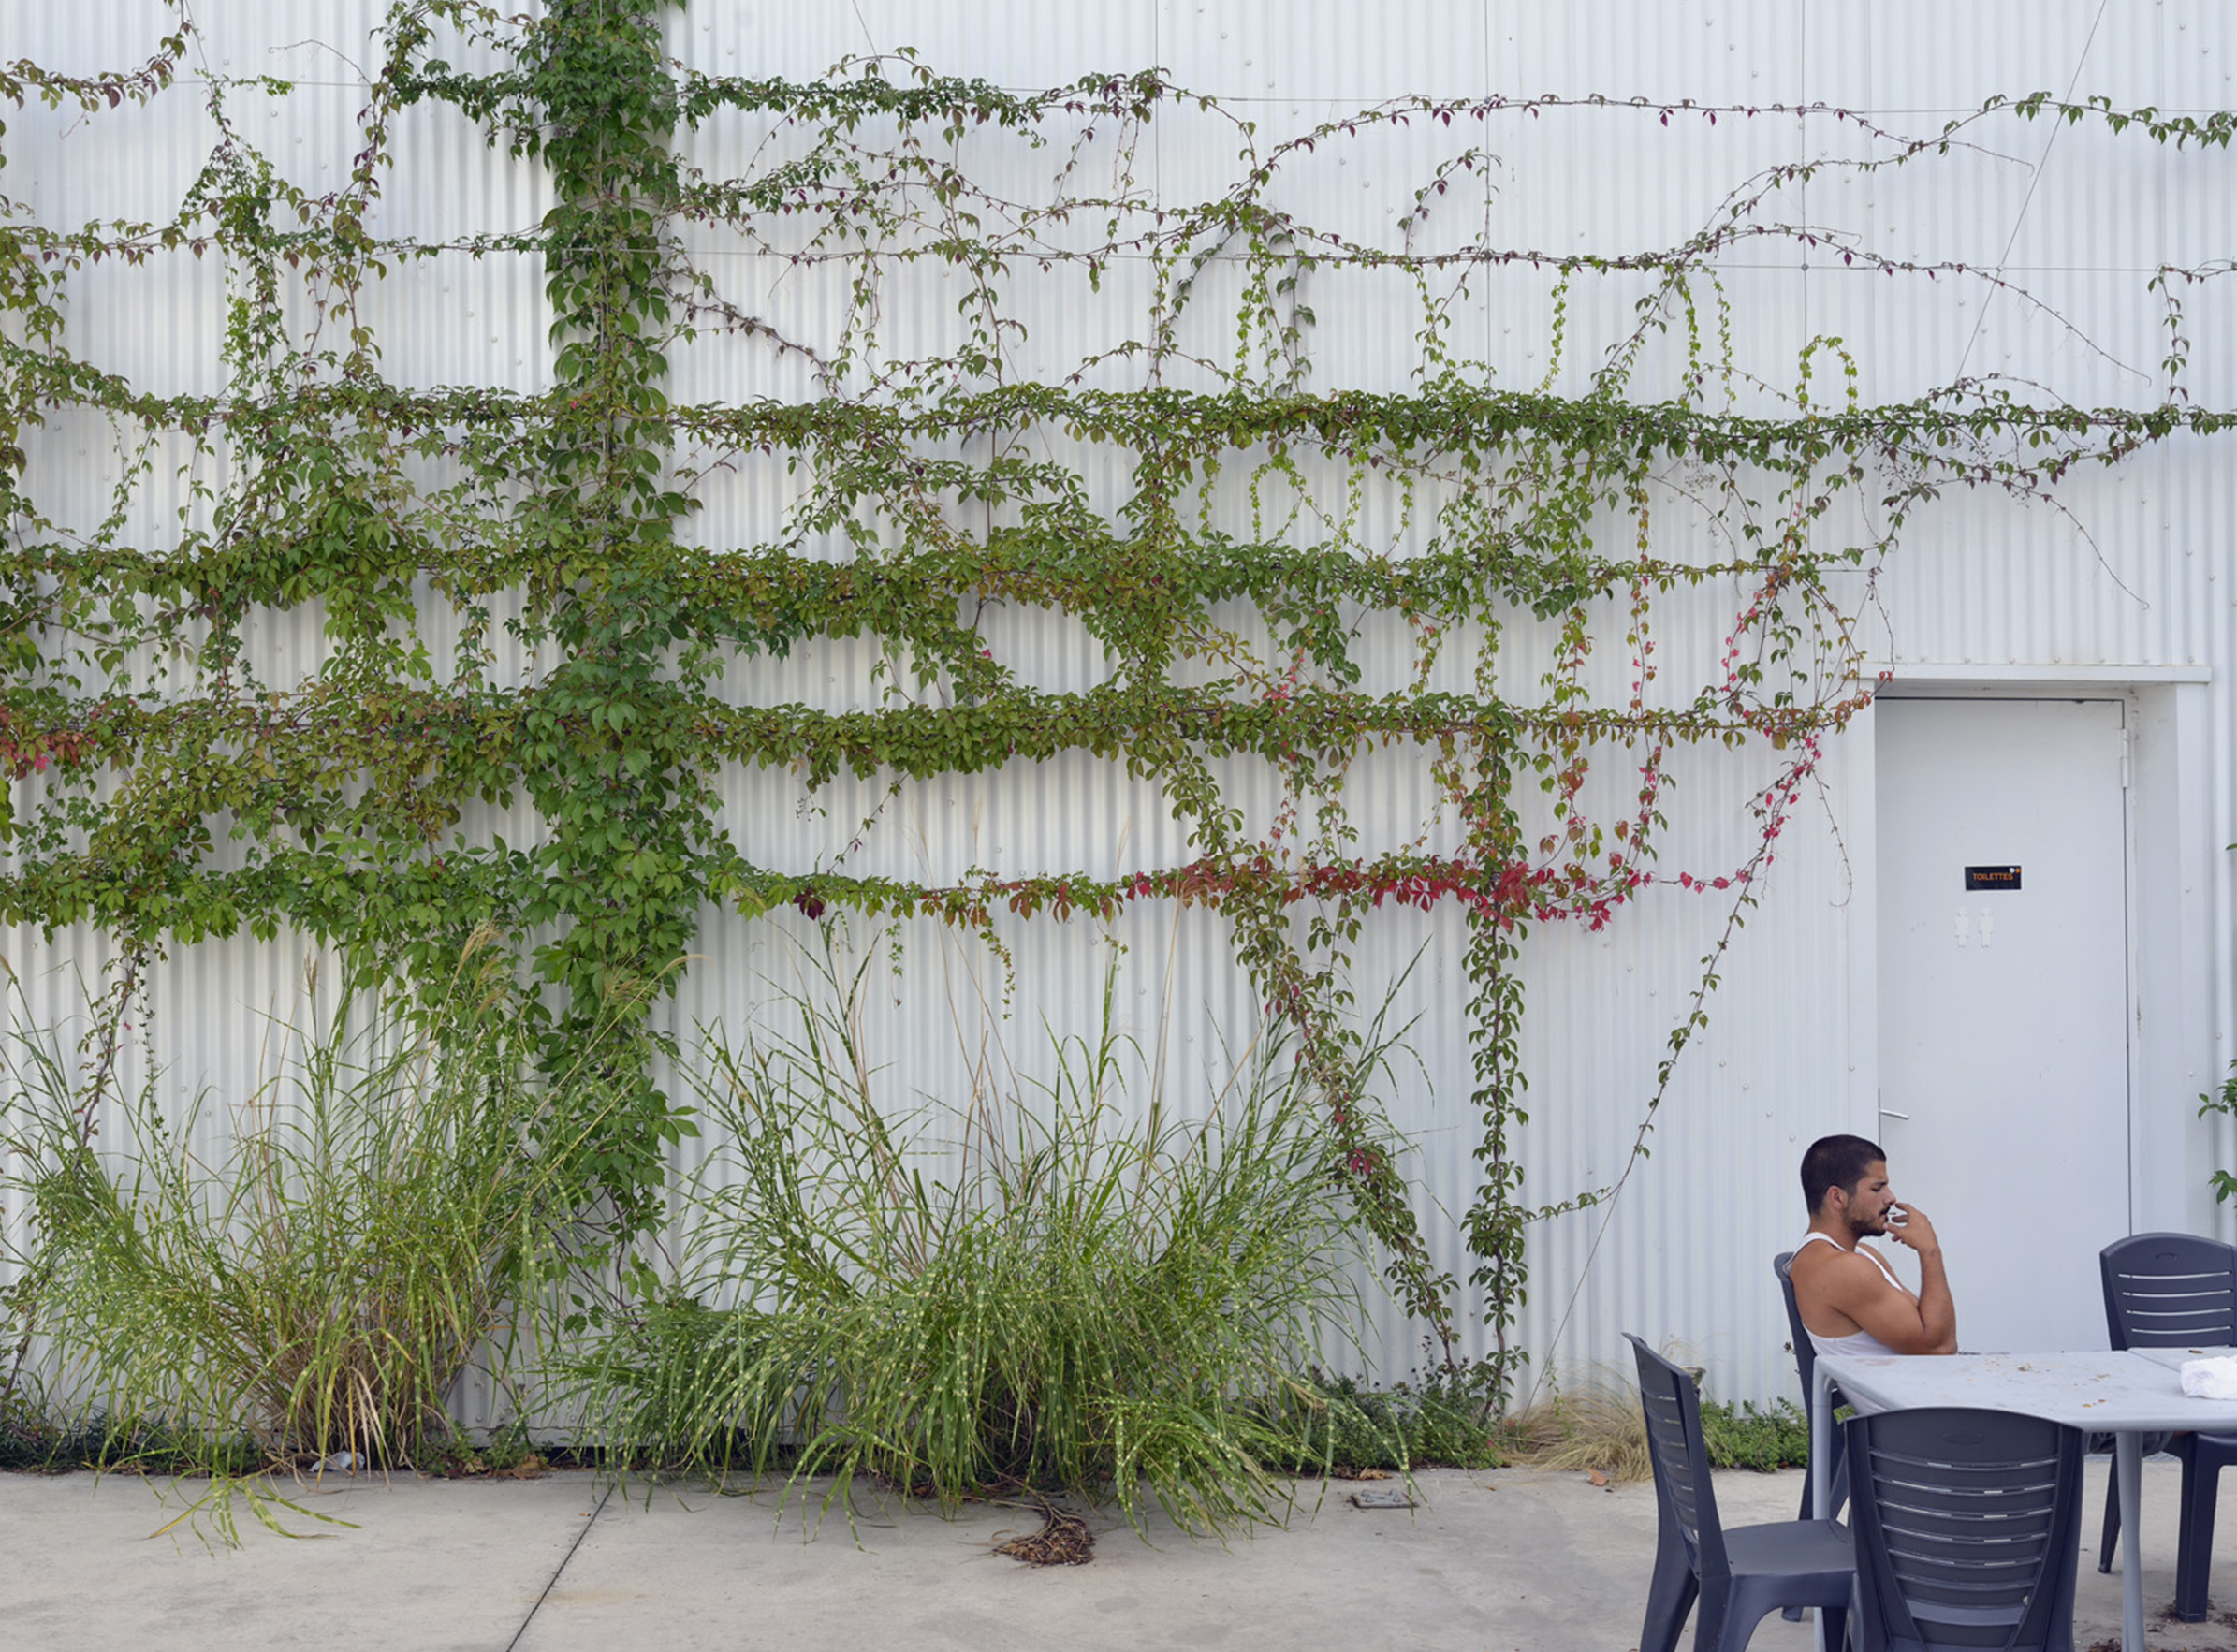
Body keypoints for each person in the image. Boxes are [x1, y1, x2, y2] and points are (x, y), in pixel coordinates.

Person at [1788, 1133, 1956, 1357]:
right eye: (1877, 1188)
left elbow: (1931, 1325)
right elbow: (1940, 1348)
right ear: (1838, 1198)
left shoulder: (1861, 1255)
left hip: (1910, 1386)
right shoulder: (1842, 1268)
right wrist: (1929, 1250)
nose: (1891, 1198)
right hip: (1898, 1391)